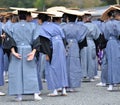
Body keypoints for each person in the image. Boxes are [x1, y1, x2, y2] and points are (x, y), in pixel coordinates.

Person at [7, 10, 42, 101]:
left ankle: (19, 96)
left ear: (18, 17)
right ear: (27, 16)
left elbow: (10, 40)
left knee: (16, 73)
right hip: (28, 50)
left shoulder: (13, 26)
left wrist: (13, 52)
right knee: (31, 72)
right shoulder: (33, 25)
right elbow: (37, 40)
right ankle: (35, 94)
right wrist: (33, 52)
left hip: (17, 50)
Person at [35, 12, 68, 96]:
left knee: (51, 67)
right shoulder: (56, 25)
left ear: (40, 19)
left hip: (52, 45)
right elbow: (63, 37)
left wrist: (47, 54)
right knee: (62, 66)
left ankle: (55, 90)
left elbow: (45, 42)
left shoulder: (42, 28)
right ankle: (63, 89)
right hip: (60, 44)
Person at [62, 9, 88, 92]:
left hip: (66, 45)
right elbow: (81, 38)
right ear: (76, 18)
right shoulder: (80, 27)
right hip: (75, 45)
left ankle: (65, 84)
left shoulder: (63, 27)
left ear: (67, 18)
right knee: (75, 64)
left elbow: (62, 37)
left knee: (65, 64)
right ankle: (73, 85)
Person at [103, 7, 120, 91]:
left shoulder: (107, 24)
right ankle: (117, 80)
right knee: (117, 62)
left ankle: (111, 83)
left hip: (110, 43)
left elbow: (105, 35)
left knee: (110, 63)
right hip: (116, 42)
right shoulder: (118, 24)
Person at [81, 13, 101, 82]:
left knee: (83, 59)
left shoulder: (82, 26)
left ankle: (83, 74)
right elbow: (97, 36)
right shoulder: (94, 26)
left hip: (83, 43)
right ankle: (91, 75)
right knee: (91, 59)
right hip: (91, 42)